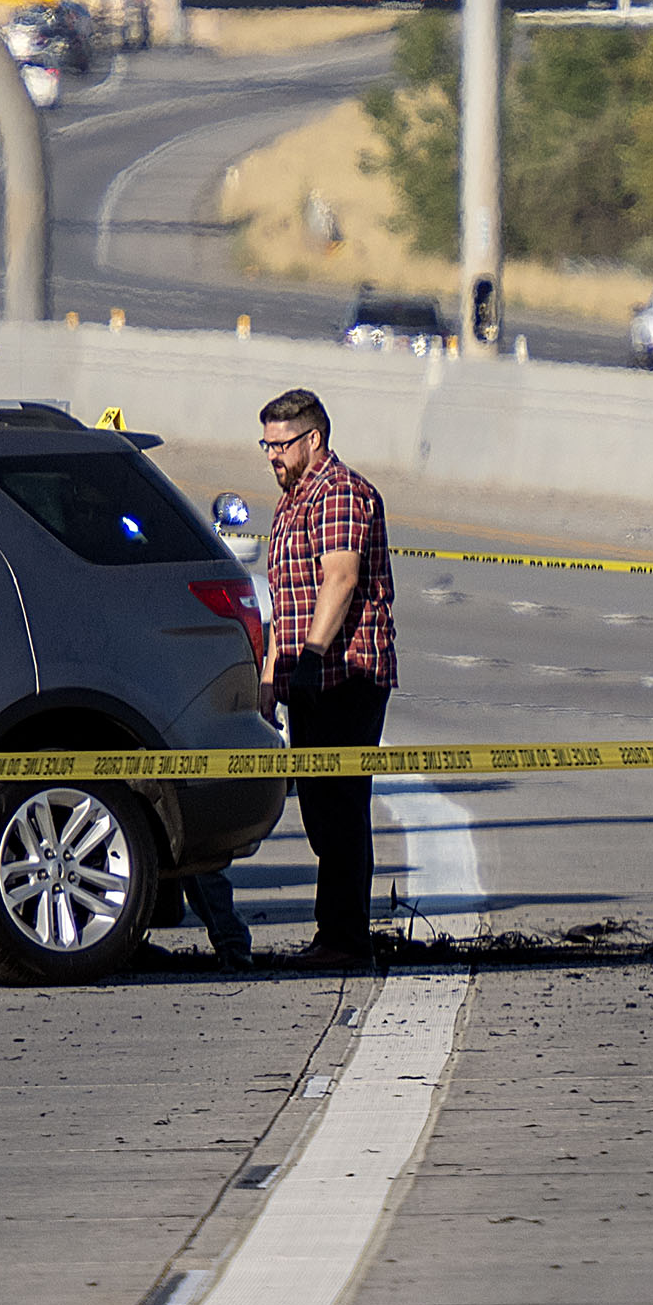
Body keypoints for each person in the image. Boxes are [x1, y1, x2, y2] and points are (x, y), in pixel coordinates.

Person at [259, 389, 397, 970]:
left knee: (340, 808)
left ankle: (346, 940)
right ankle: (333, 934)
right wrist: (270, 675)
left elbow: (338, 579)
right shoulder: (292, 502)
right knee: (318, 807)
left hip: (347, 674)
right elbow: (284, 599)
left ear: (313, 439)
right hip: (306, 677)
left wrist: (314, 656)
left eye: (281, 444)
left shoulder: (339, 492)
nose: (272, 456)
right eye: (265, 445)